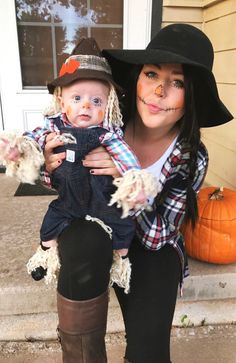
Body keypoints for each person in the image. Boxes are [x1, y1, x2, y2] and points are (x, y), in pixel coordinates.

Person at [43, 24, 233, 363]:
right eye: (151, 74)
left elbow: (161, 232)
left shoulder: (190, 156)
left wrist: (128, 180)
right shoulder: (105, 120)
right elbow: (65, 185)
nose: (159, 91)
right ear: (137, 79)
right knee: (84, 240)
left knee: (149, 351)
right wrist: (51, 164)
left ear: (191, 98)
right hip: (95, 227)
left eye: (177, 83)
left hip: (152, 243)